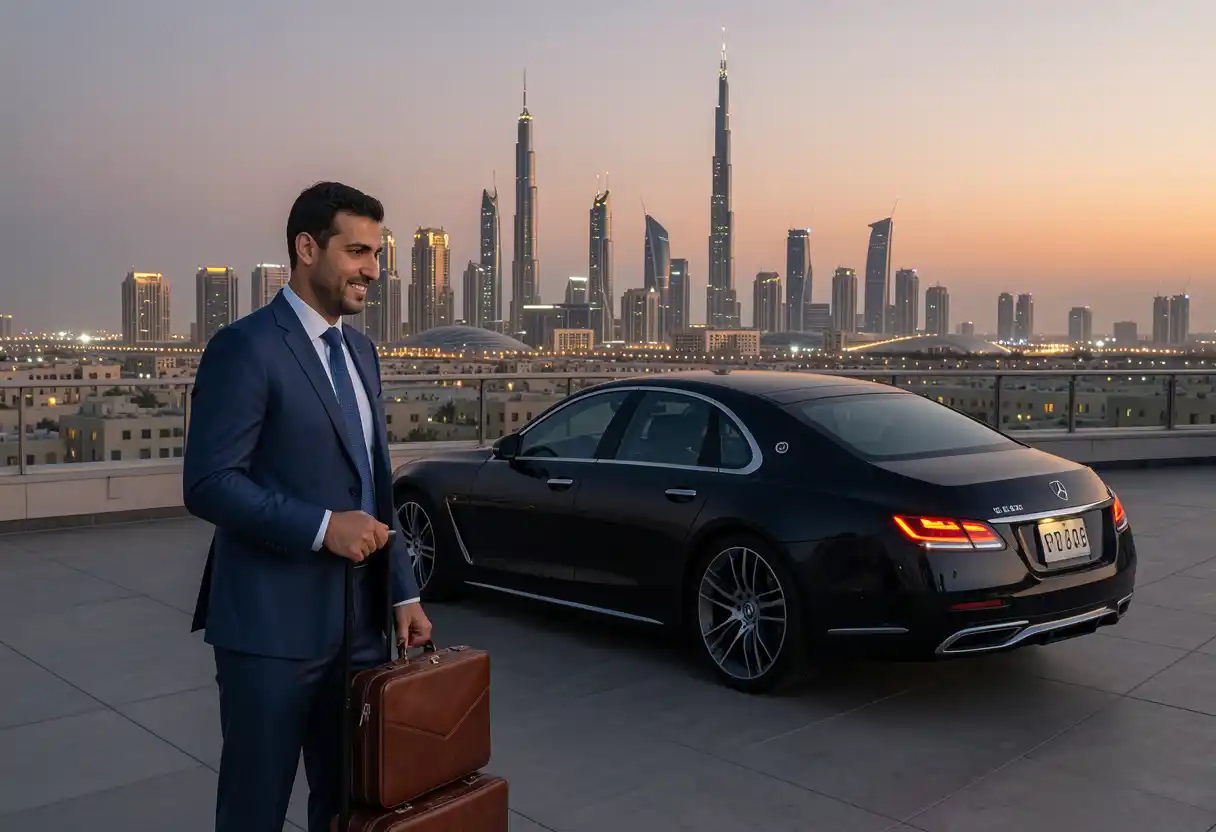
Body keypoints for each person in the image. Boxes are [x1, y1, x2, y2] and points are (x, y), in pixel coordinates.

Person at [185, 181, 433, 832]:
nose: (372, 271)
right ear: (305, 247)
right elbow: (209, 482)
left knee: (349, 805)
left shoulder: (363, 353)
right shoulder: (246, 347)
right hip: (268, 630)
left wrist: (402, 593)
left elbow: (377, 484)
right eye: (356, 251)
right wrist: (323, 528)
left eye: (376, 254)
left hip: (360, 627)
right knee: (254, 810)